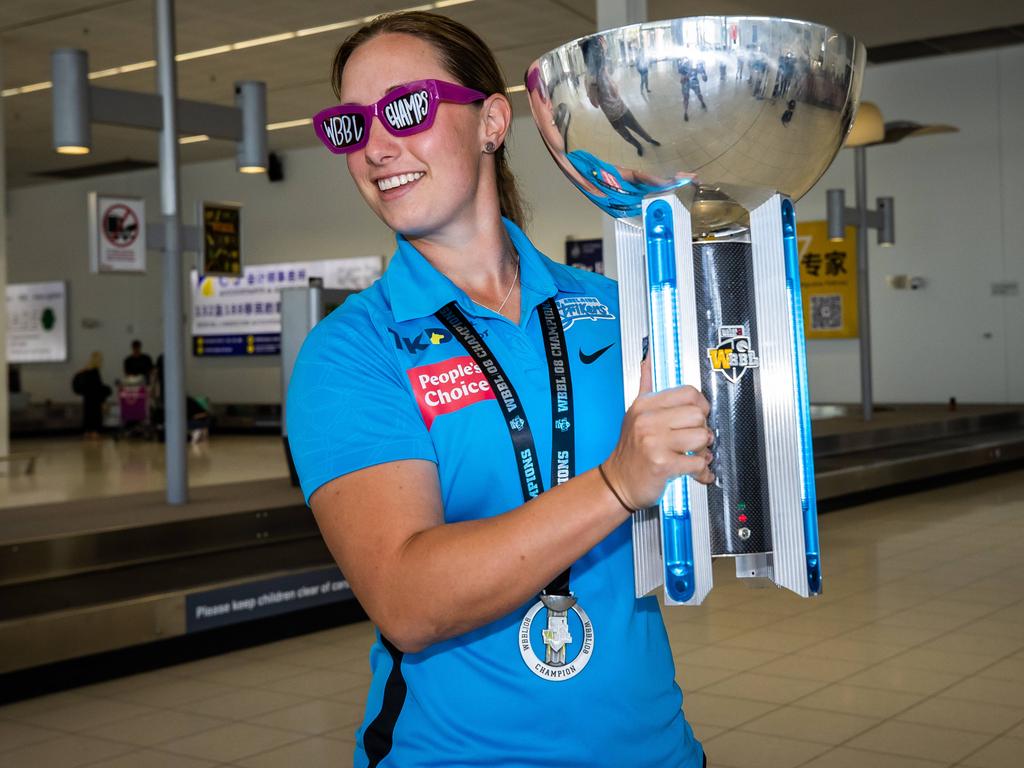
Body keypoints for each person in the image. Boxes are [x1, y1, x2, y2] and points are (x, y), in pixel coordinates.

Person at [290, 11, 713, 768]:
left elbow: (704, 495)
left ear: (491, 122)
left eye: (406, 108)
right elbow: (406, 599)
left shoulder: (615, 308)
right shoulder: (355, 351)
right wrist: (617, 483)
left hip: (654, 748)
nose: (377, 146)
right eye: (350, 124)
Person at [72, 351, 111, 438]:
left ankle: (87, 432)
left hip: (87, 398)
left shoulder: (85, 370)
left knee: (88, 415)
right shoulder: (95, 372)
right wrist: (103, 400)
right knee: (95, 415)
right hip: (95, 399)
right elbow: (98, 387)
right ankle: (94, 432)